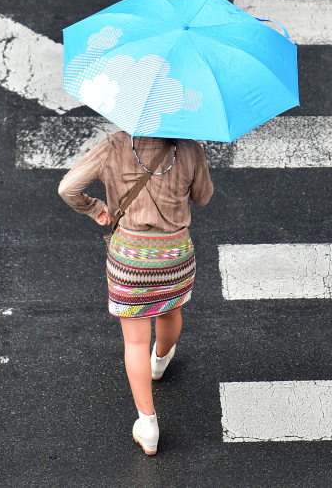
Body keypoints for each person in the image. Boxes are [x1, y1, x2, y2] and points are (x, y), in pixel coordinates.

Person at [58, 132, 213, 455]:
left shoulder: (114, 146)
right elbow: (203, 197)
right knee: (171, 311)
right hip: (175, 254)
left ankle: (148, 425)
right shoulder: (189, 148)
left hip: (130, 257)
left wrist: (94, 208)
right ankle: (160, 361)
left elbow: (68, 188)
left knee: (135, 340)